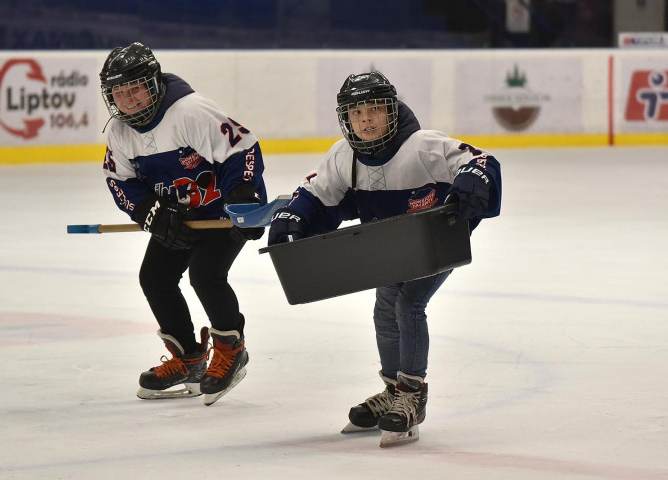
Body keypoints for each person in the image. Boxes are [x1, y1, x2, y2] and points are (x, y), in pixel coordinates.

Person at [268, 71, 502, 443]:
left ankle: (412, 395)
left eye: (374, 110)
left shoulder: (423, 145)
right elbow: (314, 193)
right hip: (391, 246)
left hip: (434, 240)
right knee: (385, 308)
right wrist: (291, 216)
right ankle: (394, 390)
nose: (365, 120)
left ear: (391, 110)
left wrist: (474, 179)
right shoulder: (344, 156)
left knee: (409, 302)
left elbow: (480, 161)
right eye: (356, 113)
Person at [99, 42, 267, 405]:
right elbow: (120, 180)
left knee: (205, 275)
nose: (128, 100)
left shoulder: (190, 111)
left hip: (223, 211)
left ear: (154, 83)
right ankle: (189, 359)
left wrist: (243, 196)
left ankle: (231, 350)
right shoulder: (119, 132)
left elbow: (243, 149)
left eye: (135, 89)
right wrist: (149, 211)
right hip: (178, 216)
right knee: (154, 278)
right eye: (119, 93)